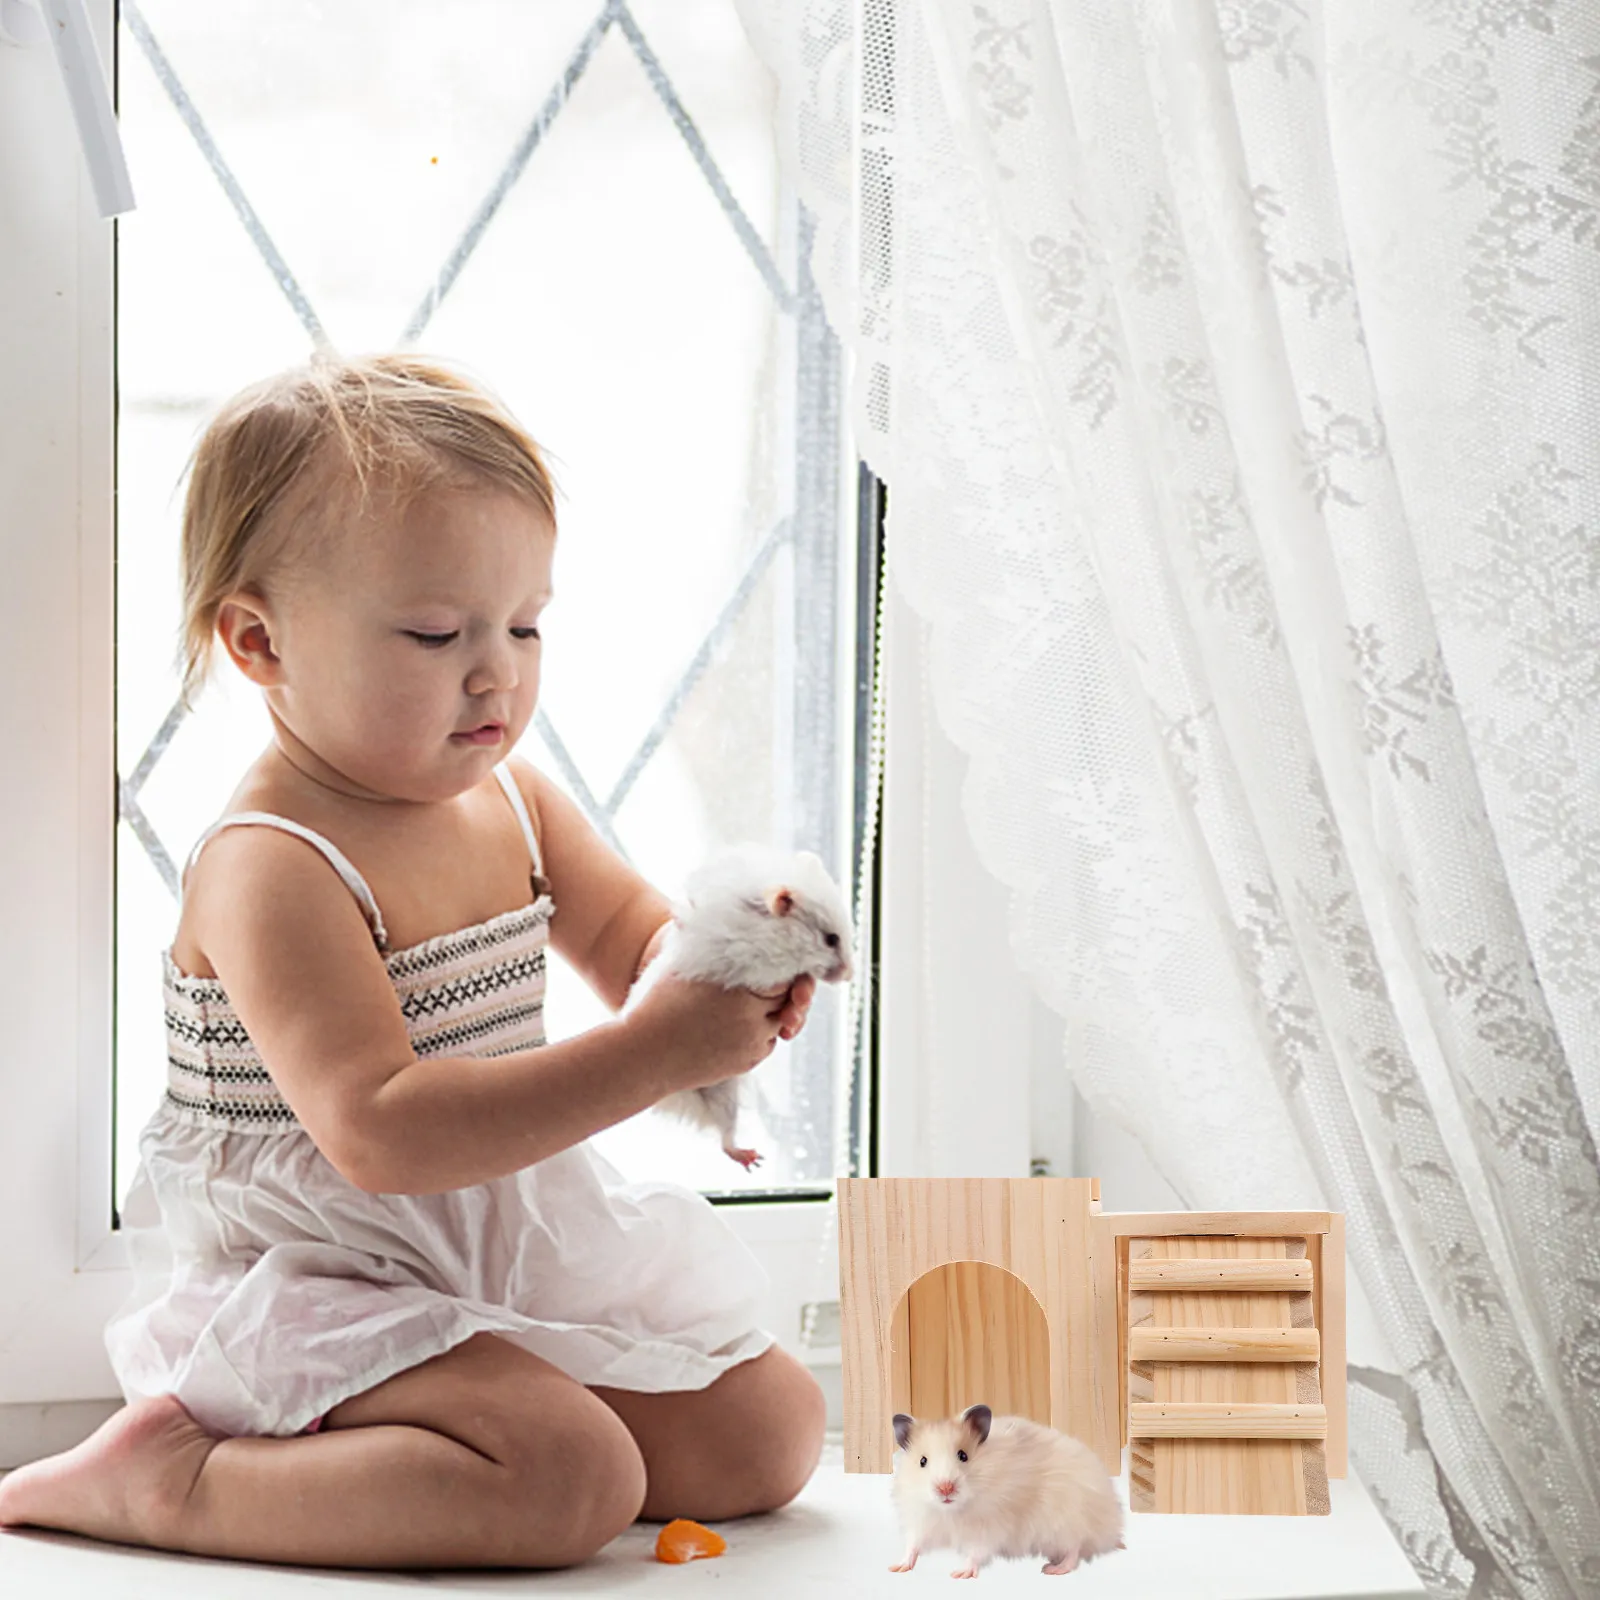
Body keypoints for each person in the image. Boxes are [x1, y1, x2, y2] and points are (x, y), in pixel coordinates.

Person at [0, 353, 825, 1571]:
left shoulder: (513, 798)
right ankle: (178, 1478)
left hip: (487, 1239)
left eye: (525, 623)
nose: (498, 671)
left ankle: (479, 1412)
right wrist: (655, 1053)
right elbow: (382, 1133)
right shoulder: (273, 864)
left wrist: (727, 960)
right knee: (570, 1479)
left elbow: (632, 944)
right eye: (439, 633)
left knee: (770, 1432)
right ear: (260, 642)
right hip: (321, 1276)